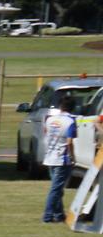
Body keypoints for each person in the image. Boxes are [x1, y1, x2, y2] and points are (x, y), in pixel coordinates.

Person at [40, 94, 78, 223]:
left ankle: (59, 214)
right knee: (56, 189)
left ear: (60, 106)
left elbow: (46, 135)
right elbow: (69, 142)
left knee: (57, 189)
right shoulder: (71, 121)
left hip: (49, 156)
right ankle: (47, 216)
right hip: (62, 158)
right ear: (73, 108)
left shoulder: (50, 119)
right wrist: (73, 157)